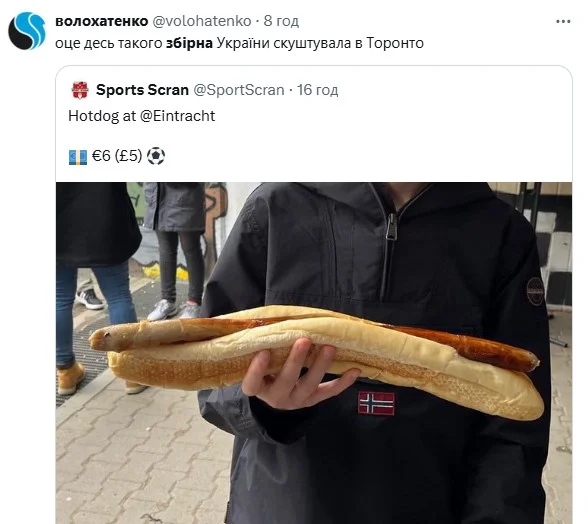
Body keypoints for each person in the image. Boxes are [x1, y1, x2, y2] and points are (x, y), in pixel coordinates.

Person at [198, 183, 551, 524]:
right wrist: (262, 405)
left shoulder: (502, 233)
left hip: (436, 504)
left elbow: (515, 430)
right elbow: (207, 371)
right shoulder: (273, 209)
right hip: (283, 503)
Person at [57, 182, 147, 396]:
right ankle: (130, 373)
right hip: (106, 215)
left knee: (59, 299)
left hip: (57, 220)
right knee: (118, 296)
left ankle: (66, 372)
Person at [143, 182, 207, 320]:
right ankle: (167, 300)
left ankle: (194, 303)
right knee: (166, 250)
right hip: (158, 198)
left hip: (185, 197)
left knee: (191, 249)